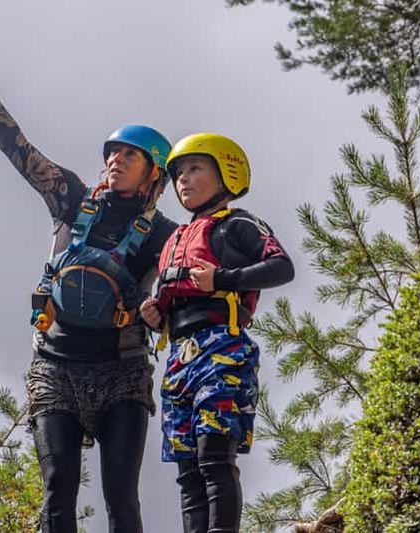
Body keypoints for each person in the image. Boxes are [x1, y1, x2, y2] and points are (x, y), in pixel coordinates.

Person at [0, 32, 178, 532]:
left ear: (153, 175)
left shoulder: (166, 235)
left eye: (130, 155)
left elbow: (186, 287)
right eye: (112, 152)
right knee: (58, 484)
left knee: (121, 497)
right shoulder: (71, 198)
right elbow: (20, 151)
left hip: (121, 371)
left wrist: (159, 311)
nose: (115, 160)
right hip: (55, 367)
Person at [139, 133, 295, 532]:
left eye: (195, 168)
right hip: (179, 357)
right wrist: (156, 313)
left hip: (221, 347)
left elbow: (281, 267)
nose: (184, 180)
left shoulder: (237, 223)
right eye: (178, 174)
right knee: (188, 467)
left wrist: (222, 278)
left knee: (214, 455)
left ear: (225, 171)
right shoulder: (175, 239)